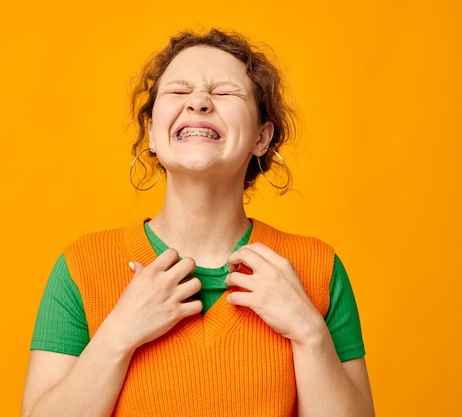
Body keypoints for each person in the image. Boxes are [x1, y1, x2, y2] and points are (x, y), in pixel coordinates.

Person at [21, 28, 375, 417]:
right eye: (178, 91)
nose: (199, 103)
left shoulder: (318, 269)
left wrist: (310, 334)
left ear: (261, 137)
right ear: (152, 132)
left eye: (225, 92)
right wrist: (118, 335)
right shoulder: (81, 267)